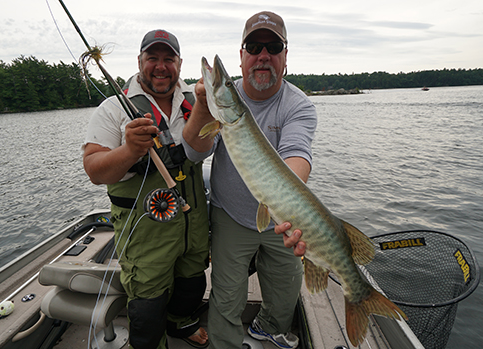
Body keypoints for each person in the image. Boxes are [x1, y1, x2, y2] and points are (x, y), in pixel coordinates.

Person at [182, 11, 317, 349]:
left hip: (282, 219)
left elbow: (297, 155)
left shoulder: (298, 105)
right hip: (231, 214)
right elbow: (195, 153)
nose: (263, 55)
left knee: (287, 290)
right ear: (241, 57)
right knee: (226, 297)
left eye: (273, 47)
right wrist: (203, 103)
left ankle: (268, 327)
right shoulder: (219, 106)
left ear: (285, 58)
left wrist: (287, 205)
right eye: (254, 46)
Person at [83, 29, 210, 349]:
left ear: (179, 63)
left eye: (168, 58)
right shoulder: (113, 108)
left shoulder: (198, 103)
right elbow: (94, 170)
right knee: (147, 305)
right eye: (152, 58)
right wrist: (128, 150)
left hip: (193, 225)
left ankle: (181, 323)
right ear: (139, 61)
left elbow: (208, 148)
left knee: (192, 284)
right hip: (145, 233)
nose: (160, 66)